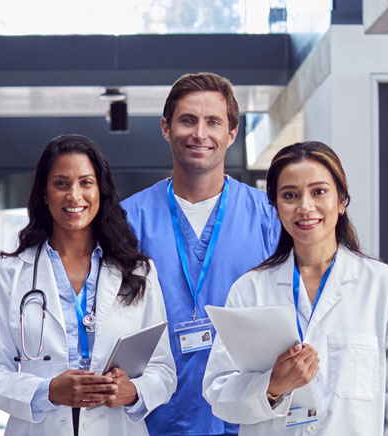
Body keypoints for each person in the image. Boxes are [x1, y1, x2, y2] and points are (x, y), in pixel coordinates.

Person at [203, 141, 388, 436]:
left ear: (342, 200)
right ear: (276, 207)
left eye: (319, 192)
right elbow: (218, 392)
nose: (305, 206)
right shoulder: (249, 290)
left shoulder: (382, 286)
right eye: (290, 195)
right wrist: (272, 385)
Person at [0, 135, 177, 436]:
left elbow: (164, 371)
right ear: (44, 193)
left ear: (100, 190)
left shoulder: (138, 272)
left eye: (85, 182)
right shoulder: (11, 274)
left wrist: (133, 391)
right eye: (60, 183)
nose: (74, 195)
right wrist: (48, 391)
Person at [120, 72, 280, 436]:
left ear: (232, 132)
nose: (200, 134)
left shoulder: (267, 217)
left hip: (247, 418)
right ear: (165, 127)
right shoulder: (128, 220)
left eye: (213, 122)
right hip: (153, 419)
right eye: (187, 120)